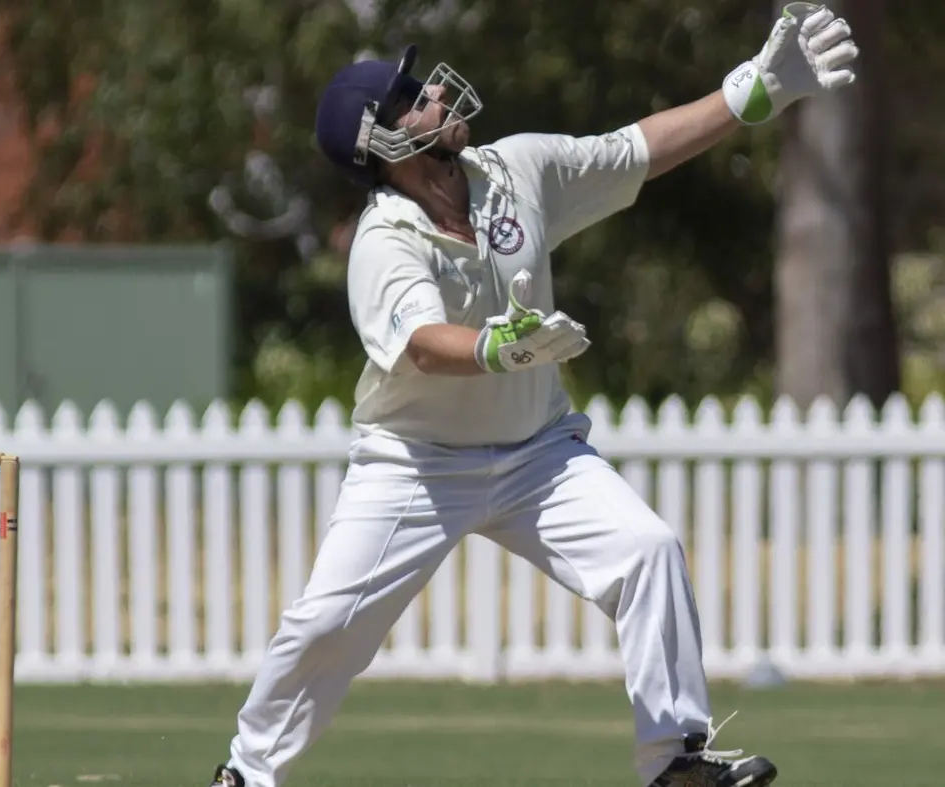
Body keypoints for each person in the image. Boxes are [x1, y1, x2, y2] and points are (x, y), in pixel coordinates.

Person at [207, 4, 858, 787]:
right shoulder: (383, 242)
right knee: (326, 623)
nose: (438, 101)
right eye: (414, 99)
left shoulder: (513, 170)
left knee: (647, 550)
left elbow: (634, 152)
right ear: (380, 144)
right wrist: (496, 345)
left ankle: (673, 762)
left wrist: (749, 94)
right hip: (415, 466)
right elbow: (421, 343)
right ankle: (247, 773)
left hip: (537, 454)